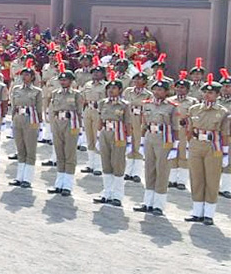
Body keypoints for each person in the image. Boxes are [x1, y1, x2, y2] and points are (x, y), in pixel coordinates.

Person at [185, 77, 229, 225]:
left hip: (213, 147)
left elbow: (224, 134)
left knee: (212, 180)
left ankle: (209, 214)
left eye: (211, 93)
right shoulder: (194, 109)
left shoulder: (222, 112)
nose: (207, 95)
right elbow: (189, 130)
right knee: (196, 178)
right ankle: (197, 212)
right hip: (196, 145)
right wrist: (187, 147)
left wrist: (225, 153)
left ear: (217, 95)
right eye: (205, 92)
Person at [134, 75, 179, 216]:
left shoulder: (171, 107)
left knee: (162, 170)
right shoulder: (147, 104)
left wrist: (175, 146)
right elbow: (144, 124)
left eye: (160, 89)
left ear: (166, 92)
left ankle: (158, 204)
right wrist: (141, 141)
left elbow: (175, 128)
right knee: (149, 169)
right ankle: (148, 202)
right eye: (155, 89)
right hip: (149, 137)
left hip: (164, 139)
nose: (157, 92)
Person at [94, 78, 132, 207]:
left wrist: (130, 141)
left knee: (118, 164)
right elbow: (100, 120)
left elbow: (128, 122)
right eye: (109, 88)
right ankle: (107, 192)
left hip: (118, 133)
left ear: (120, 90)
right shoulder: (103, 103)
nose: (111, 90)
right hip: (105, 132)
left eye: (114, 88)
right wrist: (98, 136)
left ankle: (117, 195)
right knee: (106, 163)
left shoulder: (124, 105)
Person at [46, 70, 84, 196]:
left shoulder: (76, 94)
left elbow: (79, 111)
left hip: (70, 123)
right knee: (59, 153)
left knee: (69, 154)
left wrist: (79, 127)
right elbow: (52, 110)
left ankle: (67, 185)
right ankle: (59, 183)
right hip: (58, 122)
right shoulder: (55, 93)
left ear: (71, 81)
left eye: (65, 80)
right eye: (61, 80)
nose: (63, 82)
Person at [8, 65, 44, 188]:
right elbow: (13, 106)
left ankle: (27, 178)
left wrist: (40, 123)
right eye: (22, 75)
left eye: (27, 75)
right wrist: (12, 119)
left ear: (32, 77)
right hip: (18, 117)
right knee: (20, 148)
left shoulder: (37, 91)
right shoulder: (16, 89)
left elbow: (39, 109)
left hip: (31, 118)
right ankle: (19, 176)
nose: (24, 77)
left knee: (30, 149)